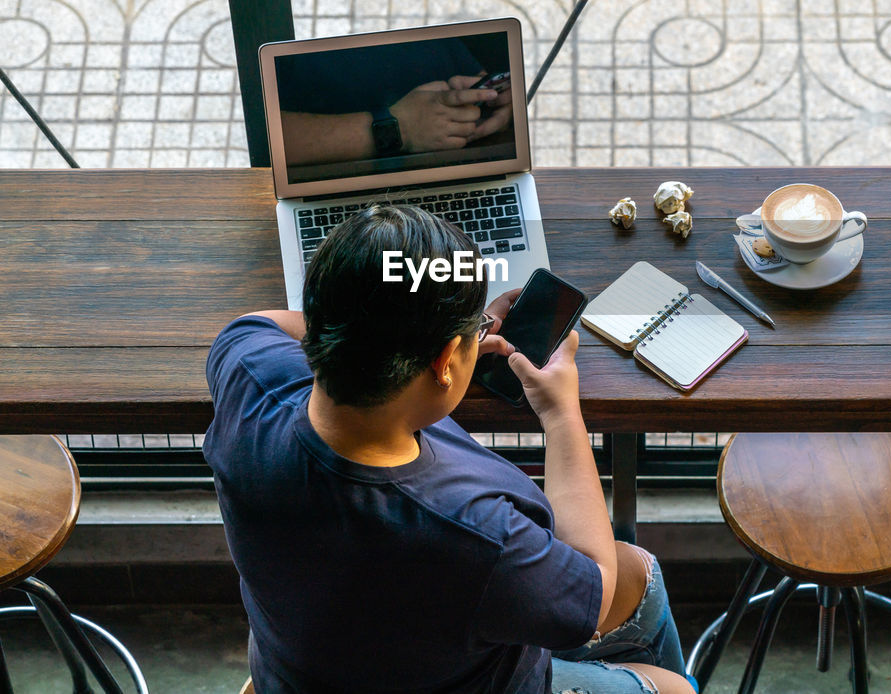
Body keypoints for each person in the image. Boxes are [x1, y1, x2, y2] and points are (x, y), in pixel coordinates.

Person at [204, 204, 694, 694]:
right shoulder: (476, 535)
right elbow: (596, 588)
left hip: (308, 672)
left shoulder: (252, 382)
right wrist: (561, 412)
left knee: (641, 575)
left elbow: (255, 323)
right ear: (444, 363)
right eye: (471, 332)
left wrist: (402, 339)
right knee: (675, 685)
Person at [275, 38, 514, 165]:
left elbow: (455, 61)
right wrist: (401, 129)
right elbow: (265, 139)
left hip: (462, 167)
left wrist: (492, 99)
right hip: (340, 190)